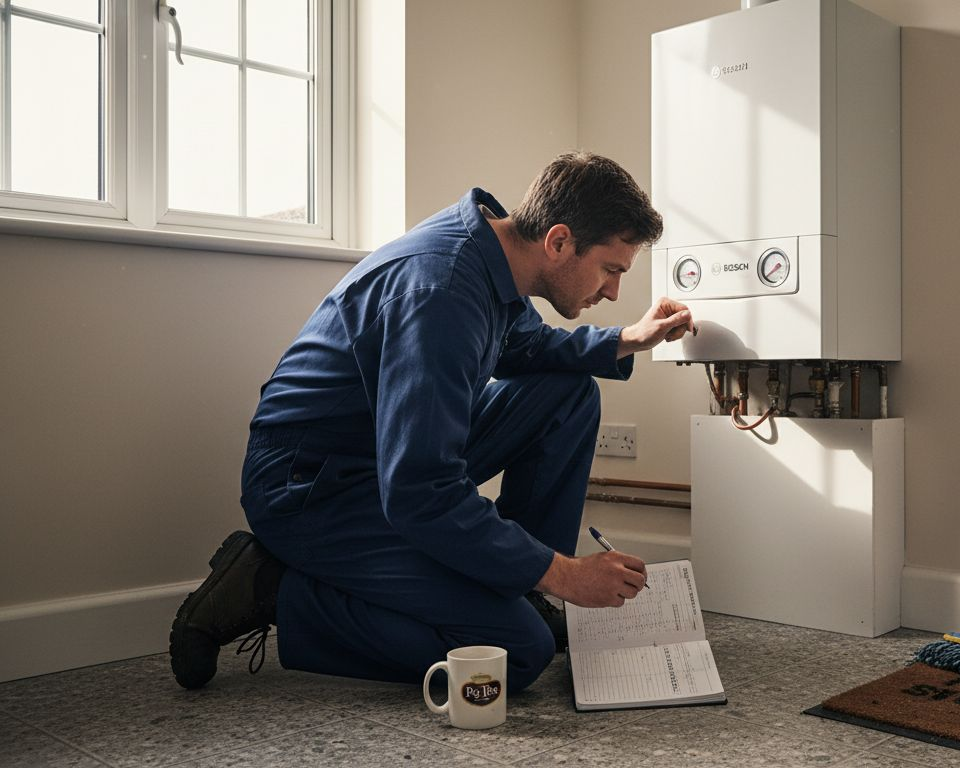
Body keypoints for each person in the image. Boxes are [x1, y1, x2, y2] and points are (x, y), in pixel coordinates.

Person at [169, 151, 695, 693]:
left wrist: (628, 338)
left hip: (381, 455)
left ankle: (522, 590)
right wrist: (565, 573)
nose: (613, 291)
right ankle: (275, 587)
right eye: (611, 269)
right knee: (517, 652)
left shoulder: (494, 252)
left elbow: (527, 346)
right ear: (559, 241)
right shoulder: (442, 290)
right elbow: (421, 489)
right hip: (310, 489)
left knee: (567, 393)